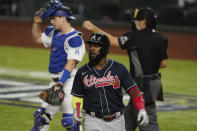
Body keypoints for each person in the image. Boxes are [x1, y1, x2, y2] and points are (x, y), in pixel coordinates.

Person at [82, 7, 168, 131]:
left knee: (148, 120)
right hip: (154, 82)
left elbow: (113, 41)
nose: (136, 22)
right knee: (128, 118)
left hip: (142, 85)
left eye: (138, 20)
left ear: (144, 21)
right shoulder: (162, 38)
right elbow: (163, 64)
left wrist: (92, 27)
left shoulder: (135, 36)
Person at [71, 33, 149, 131]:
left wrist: (141, 109)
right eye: (90, 45)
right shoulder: (82, 72)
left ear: (105, 49)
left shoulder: (119, 69)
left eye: (96, 46)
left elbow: (134, 91)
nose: (91, 49)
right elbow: (78, 96)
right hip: (93, 120)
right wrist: (76, 110)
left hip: (117, 121)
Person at [31, 1, 85, 131]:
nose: (51, 22)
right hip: (55, 83)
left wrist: (60, 84)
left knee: (69, 122)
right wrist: (36, 23)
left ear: (63, 18)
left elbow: (70, 63)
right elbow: (37, 38)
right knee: (40, 118)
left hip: (70, 83)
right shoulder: (55, 33)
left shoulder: (75, 38)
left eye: (54, 18)